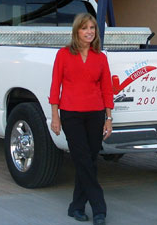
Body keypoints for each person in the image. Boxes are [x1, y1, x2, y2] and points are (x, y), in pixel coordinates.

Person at [49, 13, 114, 224]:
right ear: (76, 31)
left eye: (92, 28)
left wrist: (109, 118)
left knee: (89, 161)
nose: (89, 32)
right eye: (85, 28)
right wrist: (55, 117)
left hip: (95, 114)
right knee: (83, 159)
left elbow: (106, 88)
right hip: (71, 115)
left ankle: (76, 207)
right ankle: (99, 208)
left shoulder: (100, 57)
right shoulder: (63, 54)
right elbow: (55, 85)